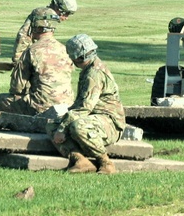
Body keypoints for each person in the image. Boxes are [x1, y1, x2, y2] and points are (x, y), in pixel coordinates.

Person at [47, 34, 126, 175]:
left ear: (76, 57)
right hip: (93, 118)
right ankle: (80, 160)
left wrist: (62, 129)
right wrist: (60, 124)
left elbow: (84, 108)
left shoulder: (94, 74)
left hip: (109, 123)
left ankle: (105, 162)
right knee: (52, 124)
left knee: (78, 126)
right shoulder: (89, 69)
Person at [0, 7, 73, 115]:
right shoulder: (64, 49)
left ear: (36, 26)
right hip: (66, 106)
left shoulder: (32, 51)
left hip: (40, 107)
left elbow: (17, 88)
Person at [13, 0, 78, 64]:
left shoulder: (49, 19)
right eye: (66, 14)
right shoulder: (41, 16)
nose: (66, 18)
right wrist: (19, 60)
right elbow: (24, 36)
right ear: (58, 8)